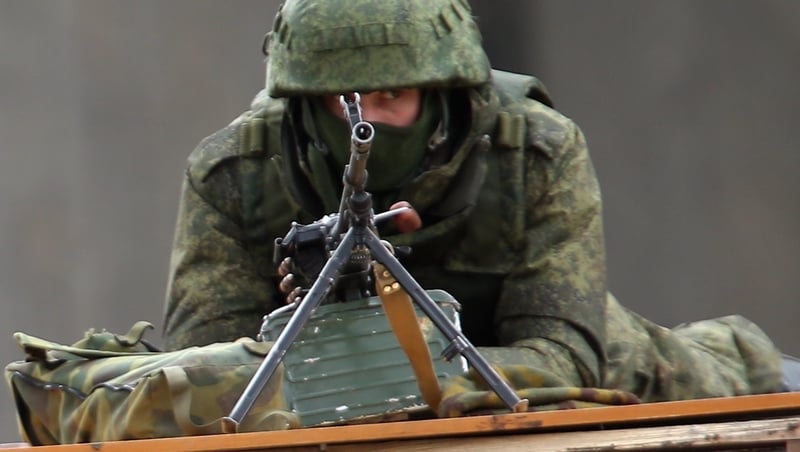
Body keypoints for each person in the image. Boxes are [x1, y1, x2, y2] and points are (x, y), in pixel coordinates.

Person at [162, 0, 789, 403]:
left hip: (521, 350)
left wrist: (398, 383)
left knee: (686, 378)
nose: (365, 123)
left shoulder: (534, 151)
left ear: (441, 93)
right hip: (324, 382)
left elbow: (562, 356)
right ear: (301, 101)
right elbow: (203, 374)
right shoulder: (233, 173)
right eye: (340, 101)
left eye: (389, 97)